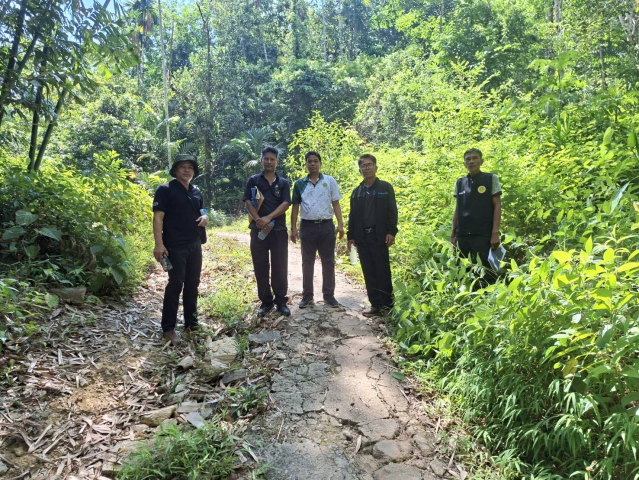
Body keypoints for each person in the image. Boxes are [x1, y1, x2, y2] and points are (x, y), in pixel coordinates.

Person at [153, 154, 209, 346]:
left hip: (195, 244)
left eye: (190, 167)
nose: (187, 170)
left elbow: (202, 211)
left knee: (193, 283)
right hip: (174, 245)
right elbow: (158, 218)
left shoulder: (196, 191)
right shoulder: (165, 190)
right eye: (183, 167)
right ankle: (168, 328)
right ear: (175, 170)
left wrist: (206, 217)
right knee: (176, 283)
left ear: (194, 172)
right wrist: (159, 244)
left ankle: (191, 323)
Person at [290, 151, 344, 308]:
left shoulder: (329, 181)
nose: (312, 164)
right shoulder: (299, 184)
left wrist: (340, 224)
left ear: (320, 163)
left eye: (315, 161)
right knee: (307, 261)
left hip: (326, 225)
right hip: (307, 227)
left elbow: (335, 203)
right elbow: (295, 207)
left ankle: (329, 295)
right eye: (310, 161)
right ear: (306, 164)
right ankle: (307, 295)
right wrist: (293, 228)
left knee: (328, 261)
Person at [347, 154, 398, 317]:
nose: (367, 168)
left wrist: (391, 232)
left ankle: (387, 306)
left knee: (383, 271)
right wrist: (351, 236)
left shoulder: (385, 188)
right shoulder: (357, 192)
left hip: (379, 236)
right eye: (363, 166)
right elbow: (353, 216)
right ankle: (375, 305)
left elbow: (392, 211)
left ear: (376, 167)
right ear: (359, 170)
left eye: (370, 165)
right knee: (368, 271)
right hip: (362, 237)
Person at [243, 146, 291, 317]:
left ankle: (281, 301)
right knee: (260, 266)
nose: (269, 162)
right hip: (258, 230)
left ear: (277, 161)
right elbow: (248, 201)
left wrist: (268, 218)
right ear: (261, 160)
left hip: (278, 230)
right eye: (266, 159)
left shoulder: (283, 182)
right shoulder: (254, 180)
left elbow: (286, 203)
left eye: (272, 159)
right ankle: (266, 302)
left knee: (280, 265)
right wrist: (258, 220)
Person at [450, 148, 502, 284]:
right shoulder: (460, 183)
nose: (471, 161)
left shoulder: (490, 179)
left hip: (483, 234)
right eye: (468, 159)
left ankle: (489, 295)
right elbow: (457, 209)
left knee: (487, 272)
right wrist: (453, 234)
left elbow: (497, 205)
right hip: (462, 235)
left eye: (475, 158)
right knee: (462, 272)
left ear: (481, 161)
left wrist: (495, 233)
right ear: (464, 164)